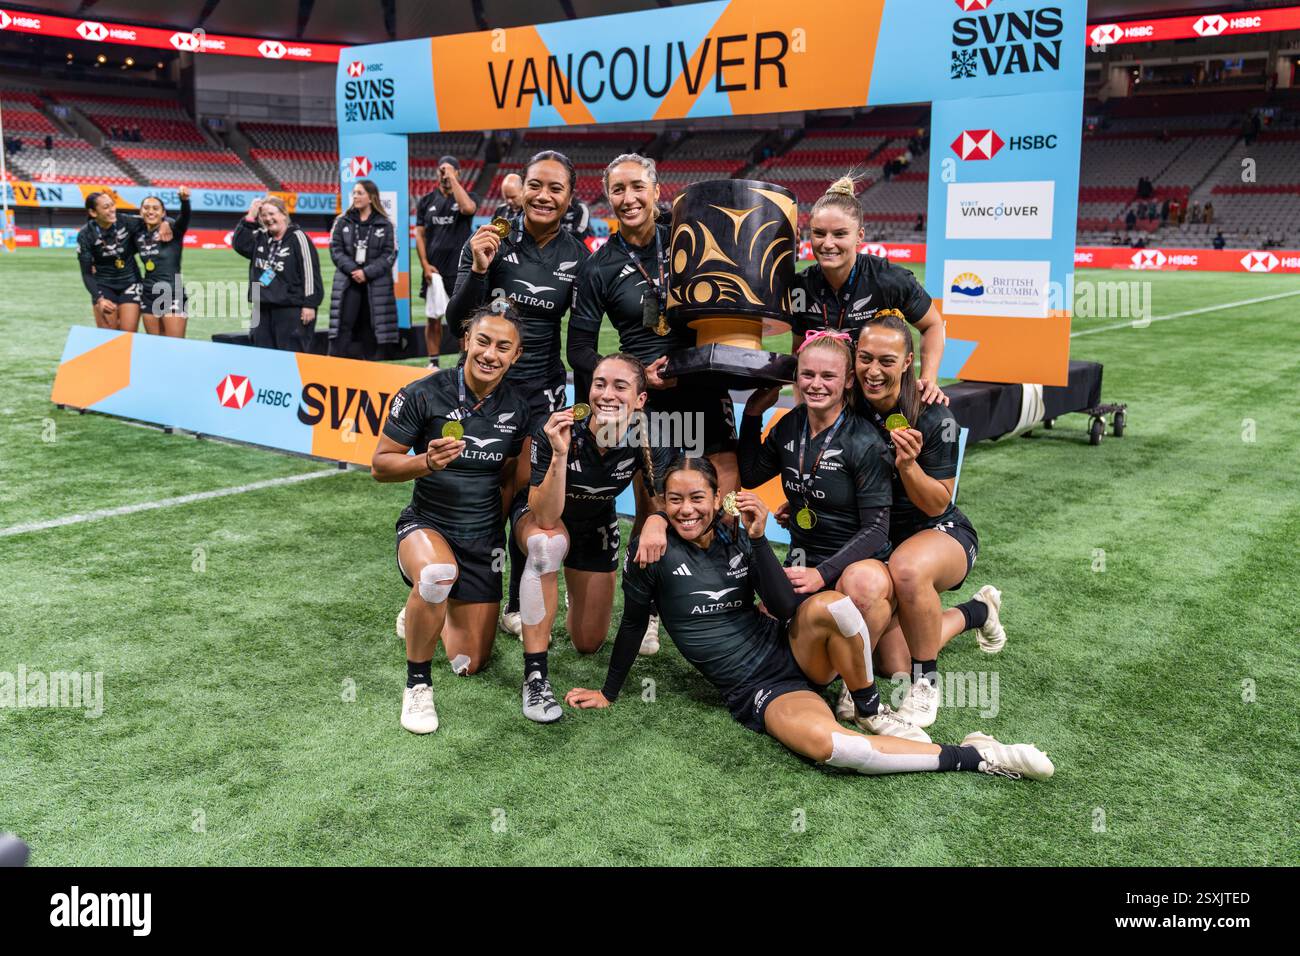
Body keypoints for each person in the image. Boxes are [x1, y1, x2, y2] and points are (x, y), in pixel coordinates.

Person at [565, 457, 1053, 782]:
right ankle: (979, 755)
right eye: (673, 500)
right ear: (661, 503)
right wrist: (608, 692)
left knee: (829, 607)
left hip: (794, 648)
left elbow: (784, 607)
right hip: (762, 689)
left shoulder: (739, 536)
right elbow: (631, 625)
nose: (686, 509)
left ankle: (868, 707)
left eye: (698, 498)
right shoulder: (652, 552)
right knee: (837, 751)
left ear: (718, 499)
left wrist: (757, 541)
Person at [568, 153, 743, 648]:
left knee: (724, 506)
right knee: (655, 513)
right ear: (608, 198)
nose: (628, 199)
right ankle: (648, 609)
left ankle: (727, 599)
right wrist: (631, 376)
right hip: (649, 406)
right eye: (618, 190)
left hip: (704, 389)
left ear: (656, 189)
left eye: (637, 187)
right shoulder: (599, 265)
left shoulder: (689, 236)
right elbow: (577, 349)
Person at [738, 329, 929, 740]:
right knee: (878, 660)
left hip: (857, 565)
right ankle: (973, 613)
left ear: (846, 381)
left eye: (828, 376)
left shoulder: (864, 440)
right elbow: (752, 475)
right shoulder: (790, 427)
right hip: (806, 560)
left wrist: (823, 574)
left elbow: (878, 529)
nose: (815, 385)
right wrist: (752, 413)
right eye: (807, 375)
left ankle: (854, 687)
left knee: (859, 591)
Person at [372, 304, 536, 735]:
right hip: (427, 525)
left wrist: (493, 535)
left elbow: (509, 480)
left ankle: (424, 611)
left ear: (516, 356)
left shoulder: (519, 407)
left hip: (481, 539)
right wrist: (425, 462)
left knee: (469, 663)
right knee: (436, 575)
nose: (490, 354)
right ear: (466, 341)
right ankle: (417, 685)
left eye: (504, 347)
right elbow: (381, 465)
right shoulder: (423, 393)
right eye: (483, 341)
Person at [446, 150, 590, 638]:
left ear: (570, 197)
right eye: (536, 184)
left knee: (525, 496)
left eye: (556, 188)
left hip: (542, 391)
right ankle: (457, 589)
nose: (543, 196)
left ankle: (514, 602)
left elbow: (585, 334)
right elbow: (454, 324)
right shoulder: (490, 238)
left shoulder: (577, 256)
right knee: (477, 490)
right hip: (487, 387)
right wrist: (481, 270)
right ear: (522, 188)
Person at [848, 310, 997, 730]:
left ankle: (925, 683)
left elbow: (938, 504)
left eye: (886, 361)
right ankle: (977, 613)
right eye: (865, 358)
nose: (873, 371)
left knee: (908, 570)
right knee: (893, 662)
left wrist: (909, 467)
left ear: (908, 361)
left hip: (938, 532)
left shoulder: (934, 416)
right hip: (884, 536)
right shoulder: (849, 404)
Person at [506, 352, 672, 722]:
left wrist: (657, 520)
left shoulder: (651, 435)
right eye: (599, 384)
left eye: (620, 386)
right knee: (547, 545)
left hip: (595, 523)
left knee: (588, 642)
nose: (607, 394)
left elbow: (659, 498)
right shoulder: (556, 427)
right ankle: (535, 677)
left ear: (640, 399)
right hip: (543, 517)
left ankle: (565, 587)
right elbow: (545, 513)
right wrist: (561, 456)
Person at [792, 176, 947, 405]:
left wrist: (928, 379)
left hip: (882, 400)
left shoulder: (889, 279)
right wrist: (802, 413)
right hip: (829, 401)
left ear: (860, 236)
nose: (827, 243)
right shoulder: (800, 287)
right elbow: (799, 351)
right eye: (819, 233)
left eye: (840, 234)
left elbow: (933, 325)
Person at [232, 196, 324, 352]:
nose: (268, 219)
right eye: (264, 215)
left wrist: (310, 304)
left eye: (272, 214)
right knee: (261, 353)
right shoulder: (260, 237)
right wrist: (250, 216)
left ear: (284, 214)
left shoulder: (298, 237)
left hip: (290, 308)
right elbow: (239, 244)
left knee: (290, 354)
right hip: (261, 307)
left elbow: (310, 272)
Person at [414, 155, 477, 364]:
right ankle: (433, 362)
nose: (444, 174)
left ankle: (464, 363)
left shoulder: (467, 196)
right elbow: (420, 235)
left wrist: (453, 179)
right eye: (441, 170)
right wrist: (424, 264)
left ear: (458, 172)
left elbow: (468, 209)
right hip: (435, 271)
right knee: (433, 318)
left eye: (449, 169)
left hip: (460, 270)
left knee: (463, 320)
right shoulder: (426, 201)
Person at [328, 179, 398, 360]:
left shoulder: (386, 223)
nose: (356, 196)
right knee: (343, 327)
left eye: (360, 193)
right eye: (354, 193)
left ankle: (370, 370)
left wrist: (366, 273)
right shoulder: (342, 221)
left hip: (375, 284)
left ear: (371, 197)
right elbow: (335, 249)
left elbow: (390, 254)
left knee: (371, 327)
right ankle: (335, 367)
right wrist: (353, 270)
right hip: (348, 282)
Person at [77, 191, 162, 333]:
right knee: (108, 336)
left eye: (112, 205)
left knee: (127, 334)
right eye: (105, 207)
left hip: (131, 283)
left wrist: (166, 223)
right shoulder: (86, 234)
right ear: (93, 212)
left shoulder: (126, 221)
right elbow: (86, 274)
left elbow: (154, 218)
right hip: (103, 286)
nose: (111, 210)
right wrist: (99, 299)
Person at [134, 187, 190, 337]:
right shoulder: (138, 234)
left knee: (175, 347)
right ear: (140, 212)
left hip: (172, 292)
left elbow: (184, 218)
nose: (150, 211)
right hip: (148, 293)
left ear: (163, 213)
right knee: (154, 345)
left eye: (155, 208)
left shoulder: (173, 231)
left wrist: (184, 202)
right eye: (146, 208)